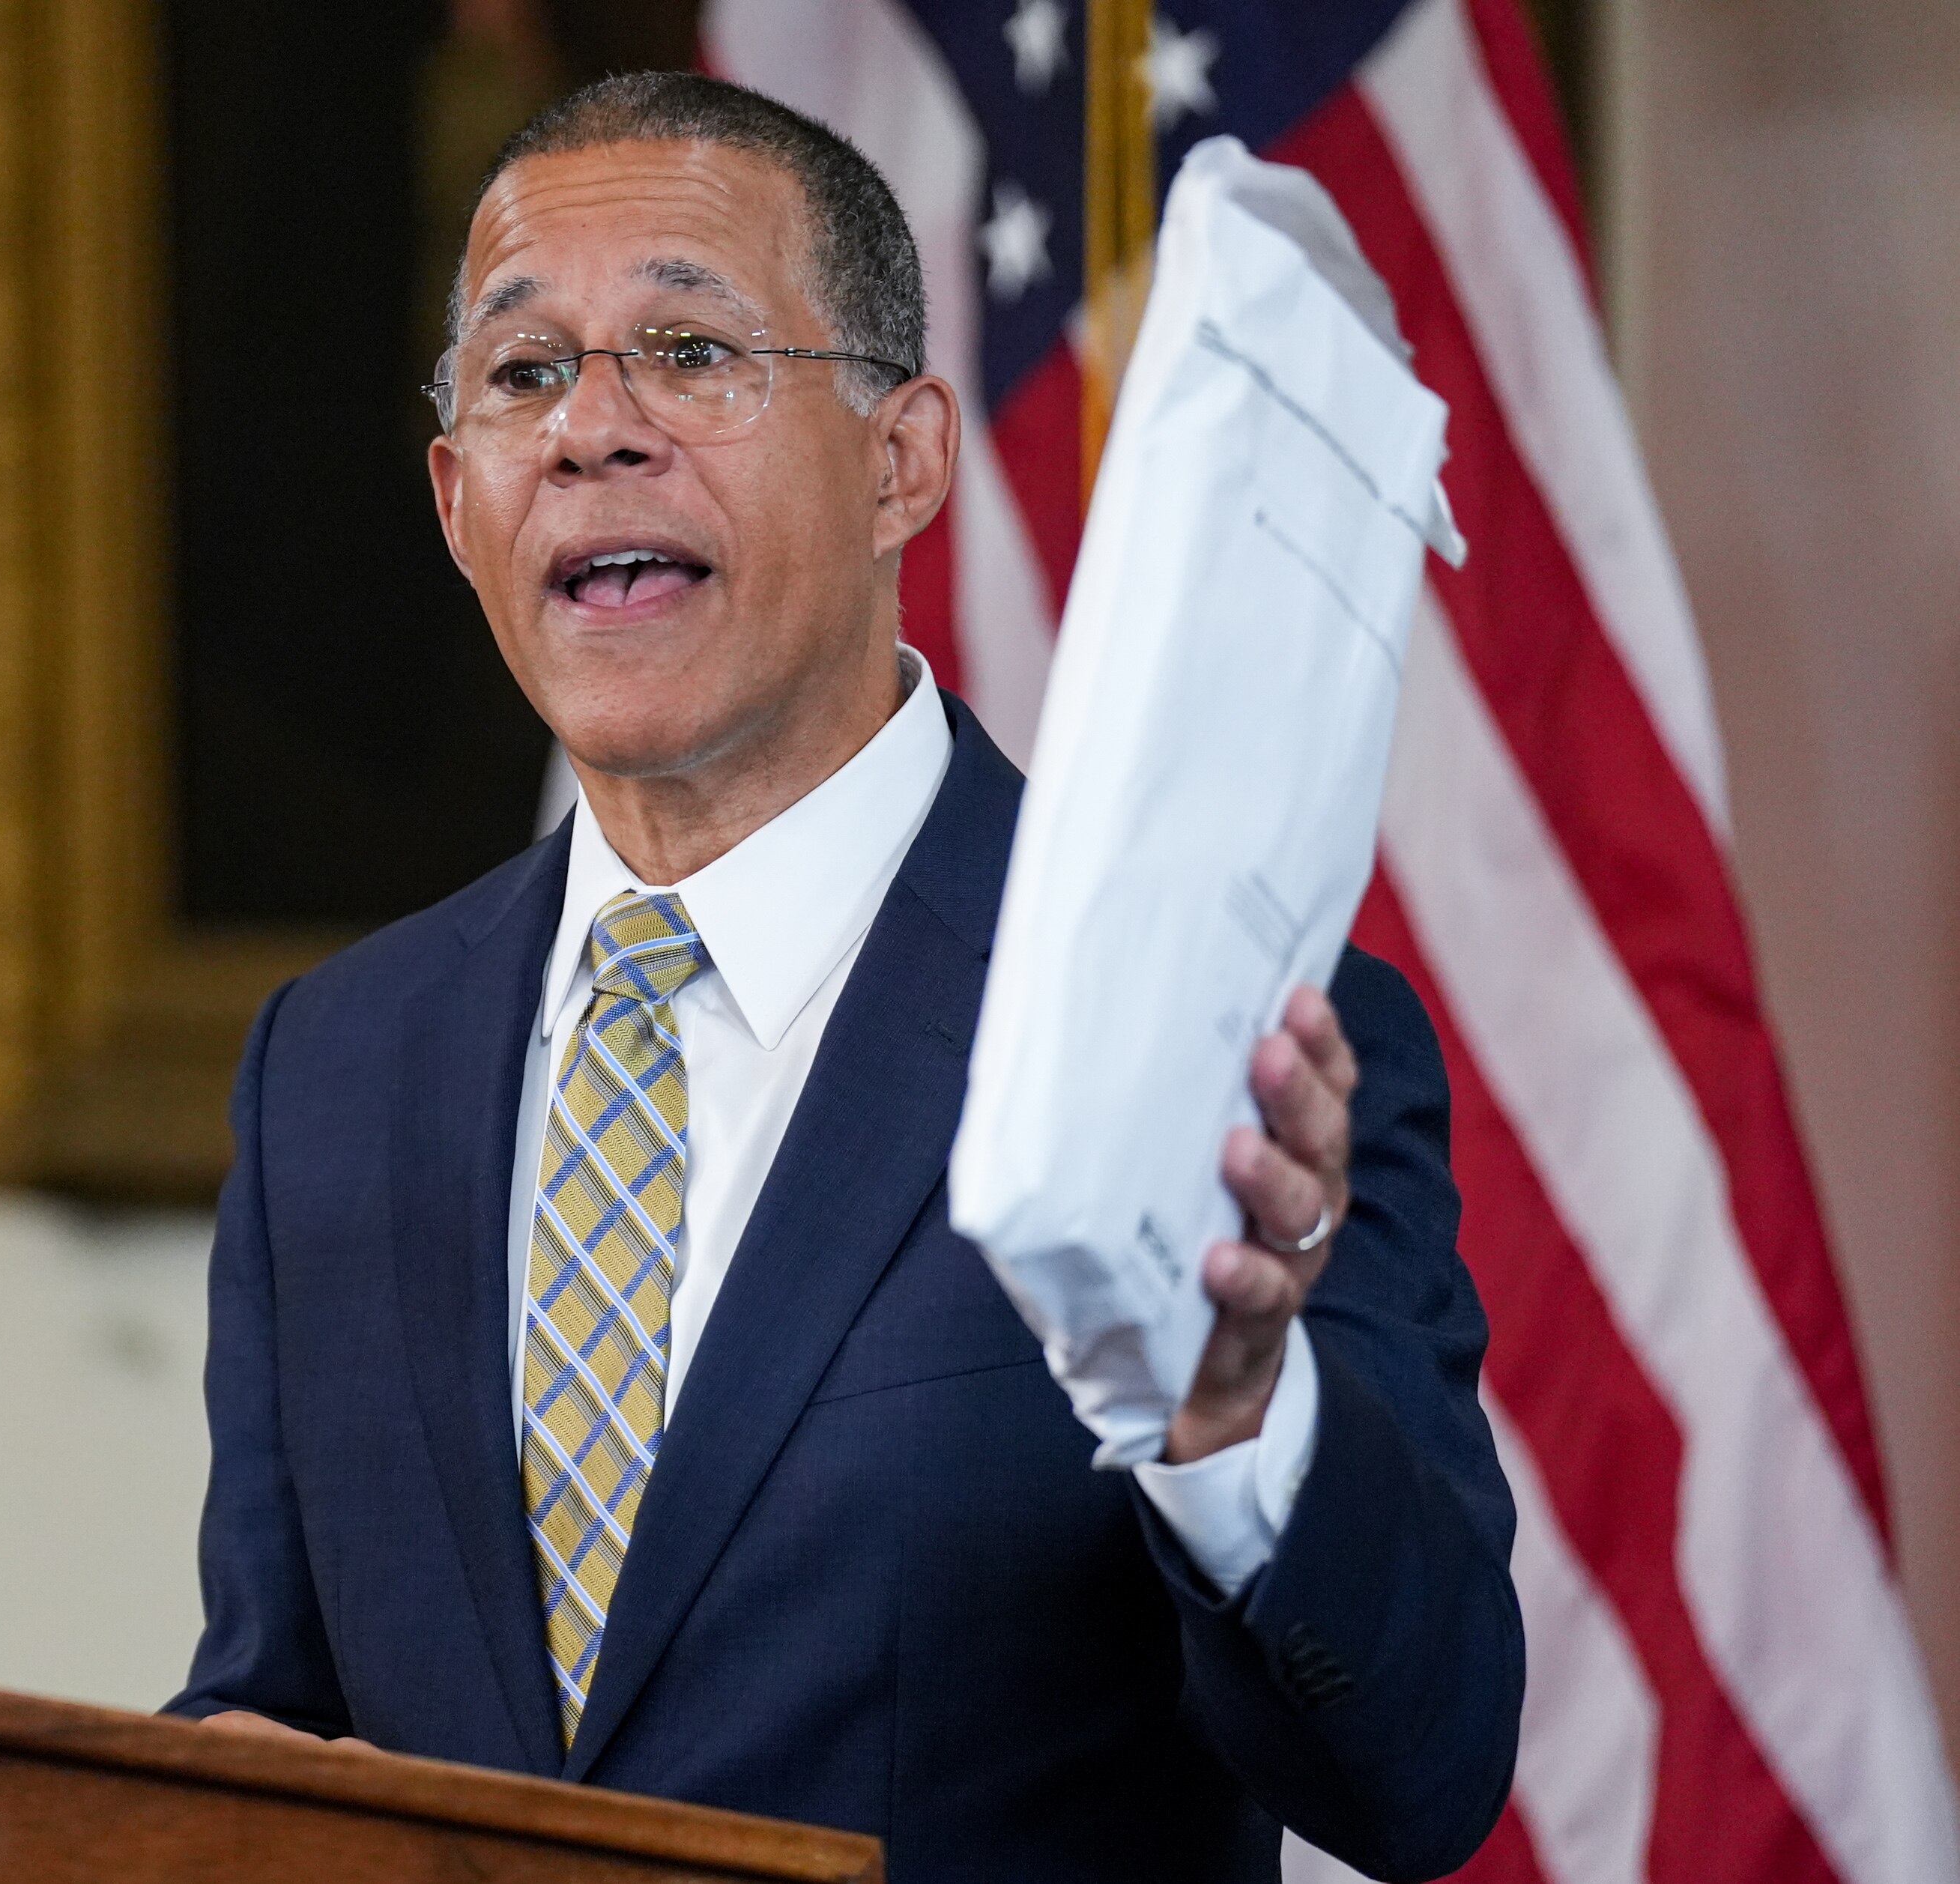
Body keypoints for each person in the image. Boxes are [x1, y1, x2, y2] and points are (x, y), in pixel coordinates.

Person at [166, 71, 1522, 1884]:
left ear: (905, 463)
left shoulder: (1229, 1033)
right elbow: (275, 1714)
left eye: (690, 348)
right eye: (523, 372)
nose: (592, 431)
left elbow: (1420, 1772)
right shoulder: (332, 1064)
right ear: (454, 499)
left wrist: (1234, 1428)